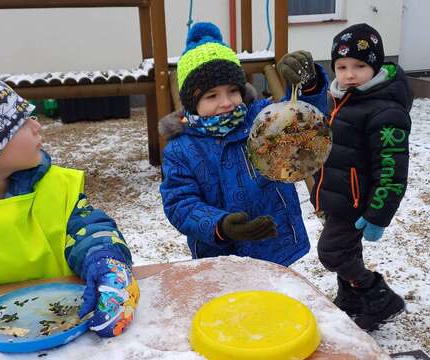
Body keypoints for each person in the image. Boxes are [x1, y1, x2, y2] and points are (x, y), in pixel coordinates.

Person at [0, 63, 139, 338]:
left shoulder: (55, 187)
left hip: (62, 329)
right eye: (19, 122)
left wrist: (105, 260)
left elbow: (90, 230)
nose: (36, 125)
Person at [159, 22, 328, 267]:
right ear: (191, 103)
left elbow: (300, 124)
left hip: (274, 242)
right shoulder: (181, 149)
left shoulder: (260, 119)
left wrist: (307, 86)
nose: (226, 102)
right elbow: (179, 203)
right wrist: (220, 225)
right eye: (212, 96)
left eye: (232, 91)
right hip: (220, 255)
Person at [311, 23, 413, 331]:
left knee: (331, 251)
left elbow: (393, 170)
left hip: (358, 201)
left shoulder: (385, 111)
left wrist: (378, 215)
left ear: (376, 66)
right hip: (341, 195)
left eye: (359, 65)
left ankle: (379, 296)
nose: (349, 74)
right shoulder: (344, 98)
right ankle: (352, 298)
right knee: (348, 250)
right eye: (341, 66)